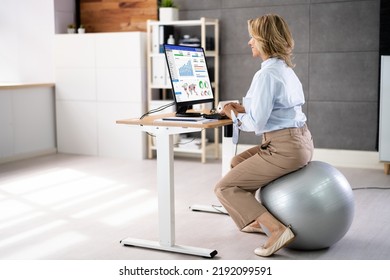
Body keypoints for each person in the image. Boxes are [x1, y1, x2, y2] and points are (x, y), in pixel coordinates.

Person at [214, 14, 314, 257]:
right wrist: (243, 107)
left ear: (265, 41)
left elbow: (256, 123)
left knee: (225, 187)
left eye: (253, 38)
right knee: (238, 162)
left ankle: (277, 230)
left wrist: (232, 114)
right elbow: (277, 107)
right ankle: (256, 220)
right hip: (300, 140)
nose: (249, 42)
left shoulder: (266, 74)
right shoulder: (284, 69)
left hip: (283, 147)